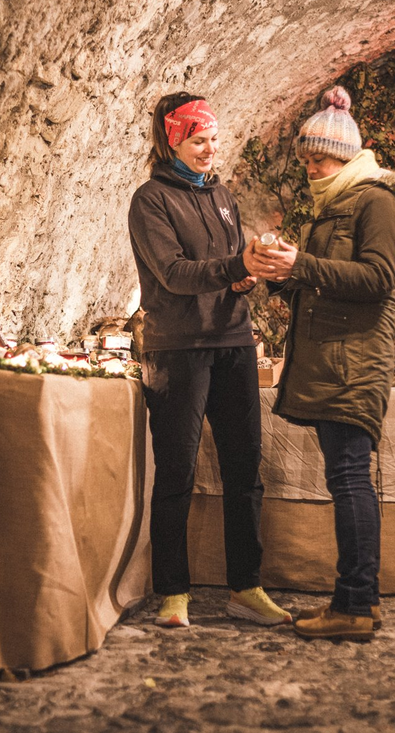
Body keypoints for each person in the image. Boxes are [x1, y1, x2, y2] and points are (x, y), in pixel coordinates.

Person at [245, 86, 395, 641]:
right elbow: (327, 285)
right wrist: (284, 276)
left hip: (354, 366)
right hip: (333, 363)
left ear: (346, 156)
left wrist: (304, 263)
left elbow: (377, 281)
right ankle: (360, 603)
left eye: (318, 159)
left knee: (350, 481)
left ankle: (351, 605)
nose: (310, 169)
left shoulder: (379, 202)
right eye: (305, 160)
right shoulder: (339, 205)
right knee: (346, 480)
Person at [127, 91, 291, 628]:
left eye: (215, 140)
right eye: (199, 140)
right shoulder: (150, 200)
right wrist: (231, 265)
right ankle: (175, 595)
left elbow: (223, 269)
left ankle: (247, 587)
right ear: (173, 140)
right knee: (176, 473)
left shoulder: (221, 196)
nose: (210, 150)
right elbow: (174, 275)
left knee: (245, 470)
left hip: (234, 342)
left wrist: (246, 274)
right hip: (178, 350)